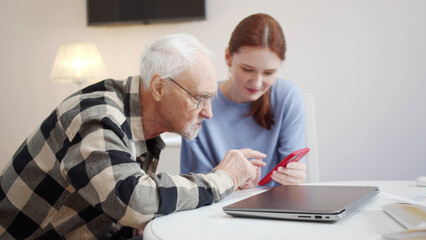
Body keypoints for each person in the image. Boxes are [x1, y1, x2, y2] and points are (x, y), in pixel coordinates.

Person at [0, 34, 266, 239]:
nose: (208, 113)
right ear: (160, 87)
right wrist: (223, 178)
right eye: (200, 98)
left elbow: (117, 210)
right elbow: (133, 201)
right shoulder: (98, 116)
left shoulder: (142, 126)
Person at [181, 13, 307, 188]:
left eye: (269, 73)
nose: (256, 83)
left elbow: (291, 178)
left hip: (276, 207)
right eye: (247, 69)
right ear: (228, 57)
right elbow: (193, 187)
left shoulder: (287, 97)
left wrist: (294, 177)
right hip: (216, 210)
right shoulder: (200, 101)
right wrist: (232, 184)